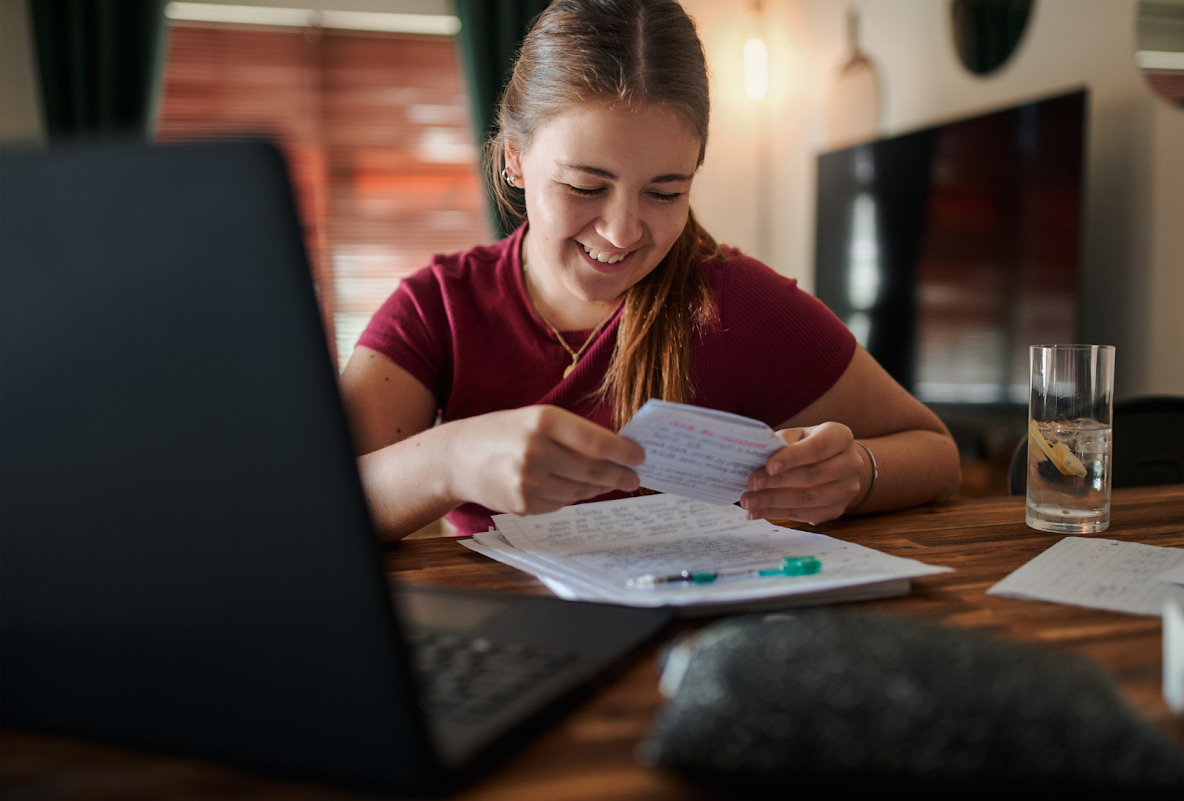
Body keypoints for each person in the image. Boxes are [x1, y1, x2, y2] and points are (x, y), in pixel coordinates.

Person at [339, 0, 961, 543]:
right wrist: (453, 460)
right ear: (515, 160)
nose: (622, 232)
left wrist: (855, 475)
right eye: (585, 185)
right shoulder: (437, 309)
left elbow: (937, 453)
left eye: (665, 193)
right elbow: (325, 505)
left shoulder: (734, 302)